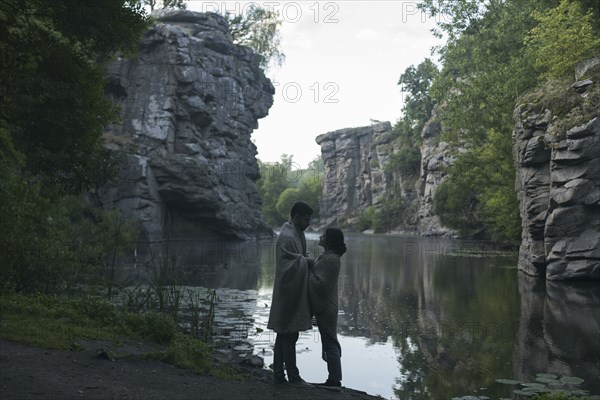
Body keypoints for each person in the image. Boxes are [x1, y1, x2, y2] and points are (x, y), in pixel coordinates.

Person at [267, 201, 315, 386]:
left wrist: (305, 259)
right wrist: (308, 262)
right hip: (288, 291)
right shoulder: (287, 236)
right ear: (296, 217)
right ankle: (293, 377)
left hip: (292, 290)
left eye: (309, 219)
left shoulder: (295, 231)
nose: (308, 222)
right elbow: (291, 265)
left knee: (285, 333)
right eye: (306, 218)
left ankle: (279, 374)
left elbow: (300, 256)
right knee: (289, 333)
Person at [308, 227, 346, 391]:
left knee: (330, 341)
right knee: (329, 340)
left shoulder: (331, 259)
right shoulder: (327, 256)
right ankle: (333, 378)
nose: (320, 237)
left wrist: (309, 267)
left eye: (323, 235)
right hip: (326, 304)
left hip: (327, 306)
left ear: (329, 240)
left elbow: (321, 285)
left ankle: (335, 380)